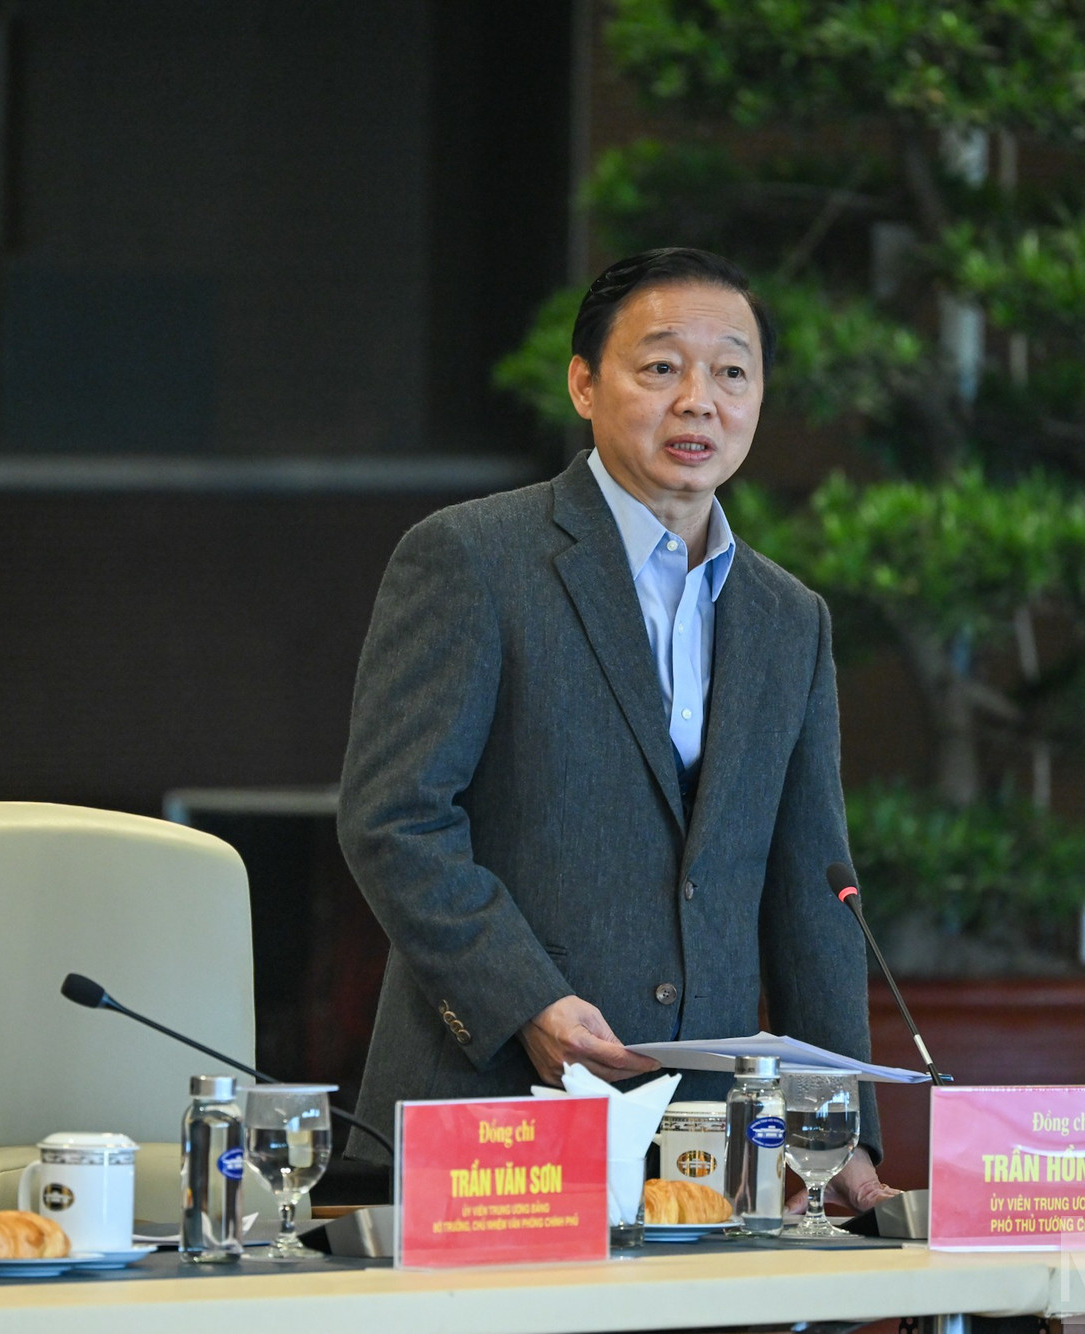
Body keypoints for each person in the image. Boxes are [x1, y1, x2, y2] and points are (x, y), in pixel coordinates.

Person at [339, 247, 894, 1210]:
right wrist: (527, 1003)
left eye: (732, 373)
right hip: (498, 1106)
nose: (699, 401)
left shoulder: (788, 618)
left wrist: (830, 1125)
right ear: (584, 385)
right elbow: (395, 820)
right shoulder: (472, 558)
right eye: (660, 366)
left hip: (706, 1146)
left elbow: (814, 890)